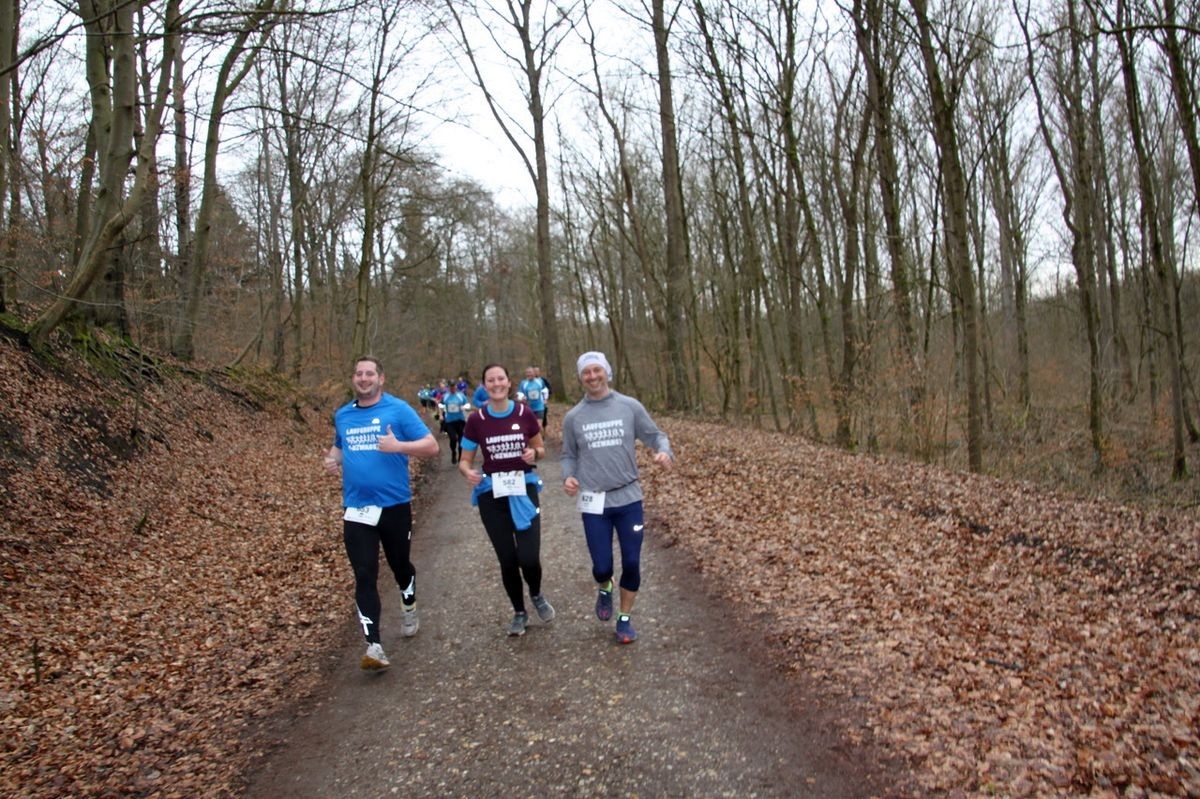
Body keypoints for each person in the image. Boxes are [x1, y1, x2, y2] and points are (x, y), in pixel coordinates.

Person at [323, 356, 440, 671]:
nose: (363, 378)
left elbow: (431, 447)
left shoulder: (398, 410)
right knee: (364, 574)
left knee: (401, 566)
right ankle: (373, 644)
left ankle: (409, 601)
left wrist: (398, 447)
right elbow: (339, 447)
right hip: (357, 509)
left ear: (381, 378)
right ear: (353, 379)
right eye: (358, 373)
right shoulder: (343, 415)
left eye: (369, 373)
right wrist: (332, 460)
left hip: (394, 506)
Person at [560, 351, 674, 644]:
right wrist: (568, 476)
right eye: (586, 372)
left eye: (597, 370)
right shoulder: (574, 417)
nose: (592, 376)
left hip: (628, 498)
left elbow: (656, 435)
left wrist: (664, 451)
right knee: (601, 566)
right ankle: (605, 587)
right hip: (594, 501)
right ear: (581, 377)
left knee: (633, 562)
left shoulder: (629, 407)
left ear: (607, 372)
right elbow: (569, 455)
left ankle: (624, 619)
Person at [458, 363, 555, 636]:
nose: (496, 384)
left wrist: (533, 455)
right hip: (492, 494)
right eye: (491, 380)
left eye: (501, 378)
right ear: (484, 385)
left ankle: (536, 594)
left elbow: (540, 448)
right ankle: (519, 611)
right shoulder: (476, 420)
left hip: (524, 489)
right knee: (508, 559)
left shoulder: (524, 413)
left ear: (509, 382)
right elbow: (465, 460)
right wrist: (468, 472)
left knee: (529, 557)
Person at [440, 380, 469, 464]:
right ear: (449, 387)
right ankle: (453, 452)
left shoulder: (461, 396)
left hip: (460, 420)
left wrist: (463, 407)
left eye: (454, 386)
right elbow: (441, 405)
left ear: (456, 387)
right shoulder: (445, 396)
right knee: (453, 439)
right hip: (449, 421)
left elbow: (467, 405)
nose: (453, 388)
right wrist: (441, 415)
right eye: (451, 387)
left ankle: (460, 456)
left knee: (461, 441)